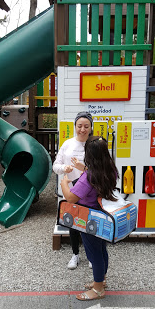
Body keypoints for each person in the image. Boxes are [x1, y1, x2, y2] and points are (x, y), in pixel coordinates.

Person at [60, 136, 119, 301]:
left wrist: (64, 183)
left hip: (89, 219)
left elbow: (71, 198)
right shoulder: (111, 170)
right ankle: (101, 280)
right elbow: (97, 177)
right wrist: (84, 168)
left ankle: (98, 289)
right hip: (104, 216)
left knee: (94, 254)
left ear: (89, 155)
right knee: (101, 249)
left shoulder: (89, 177)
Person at [53, 111, 93, 269]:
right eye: (79, 126)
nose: (82, 129)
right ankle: (75, 254)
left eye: (86, 126)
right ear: (75, 126)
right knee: (73, 223)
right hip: (71, 190)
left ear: (91, 127)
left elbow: (102, 170)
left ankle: (92, 254)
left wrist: (84, 168)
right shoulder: (67, 144)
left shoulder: (95, 144)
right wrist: (65, 167)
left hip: (90, 191)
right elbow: (55, 166)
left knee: (90, 224)